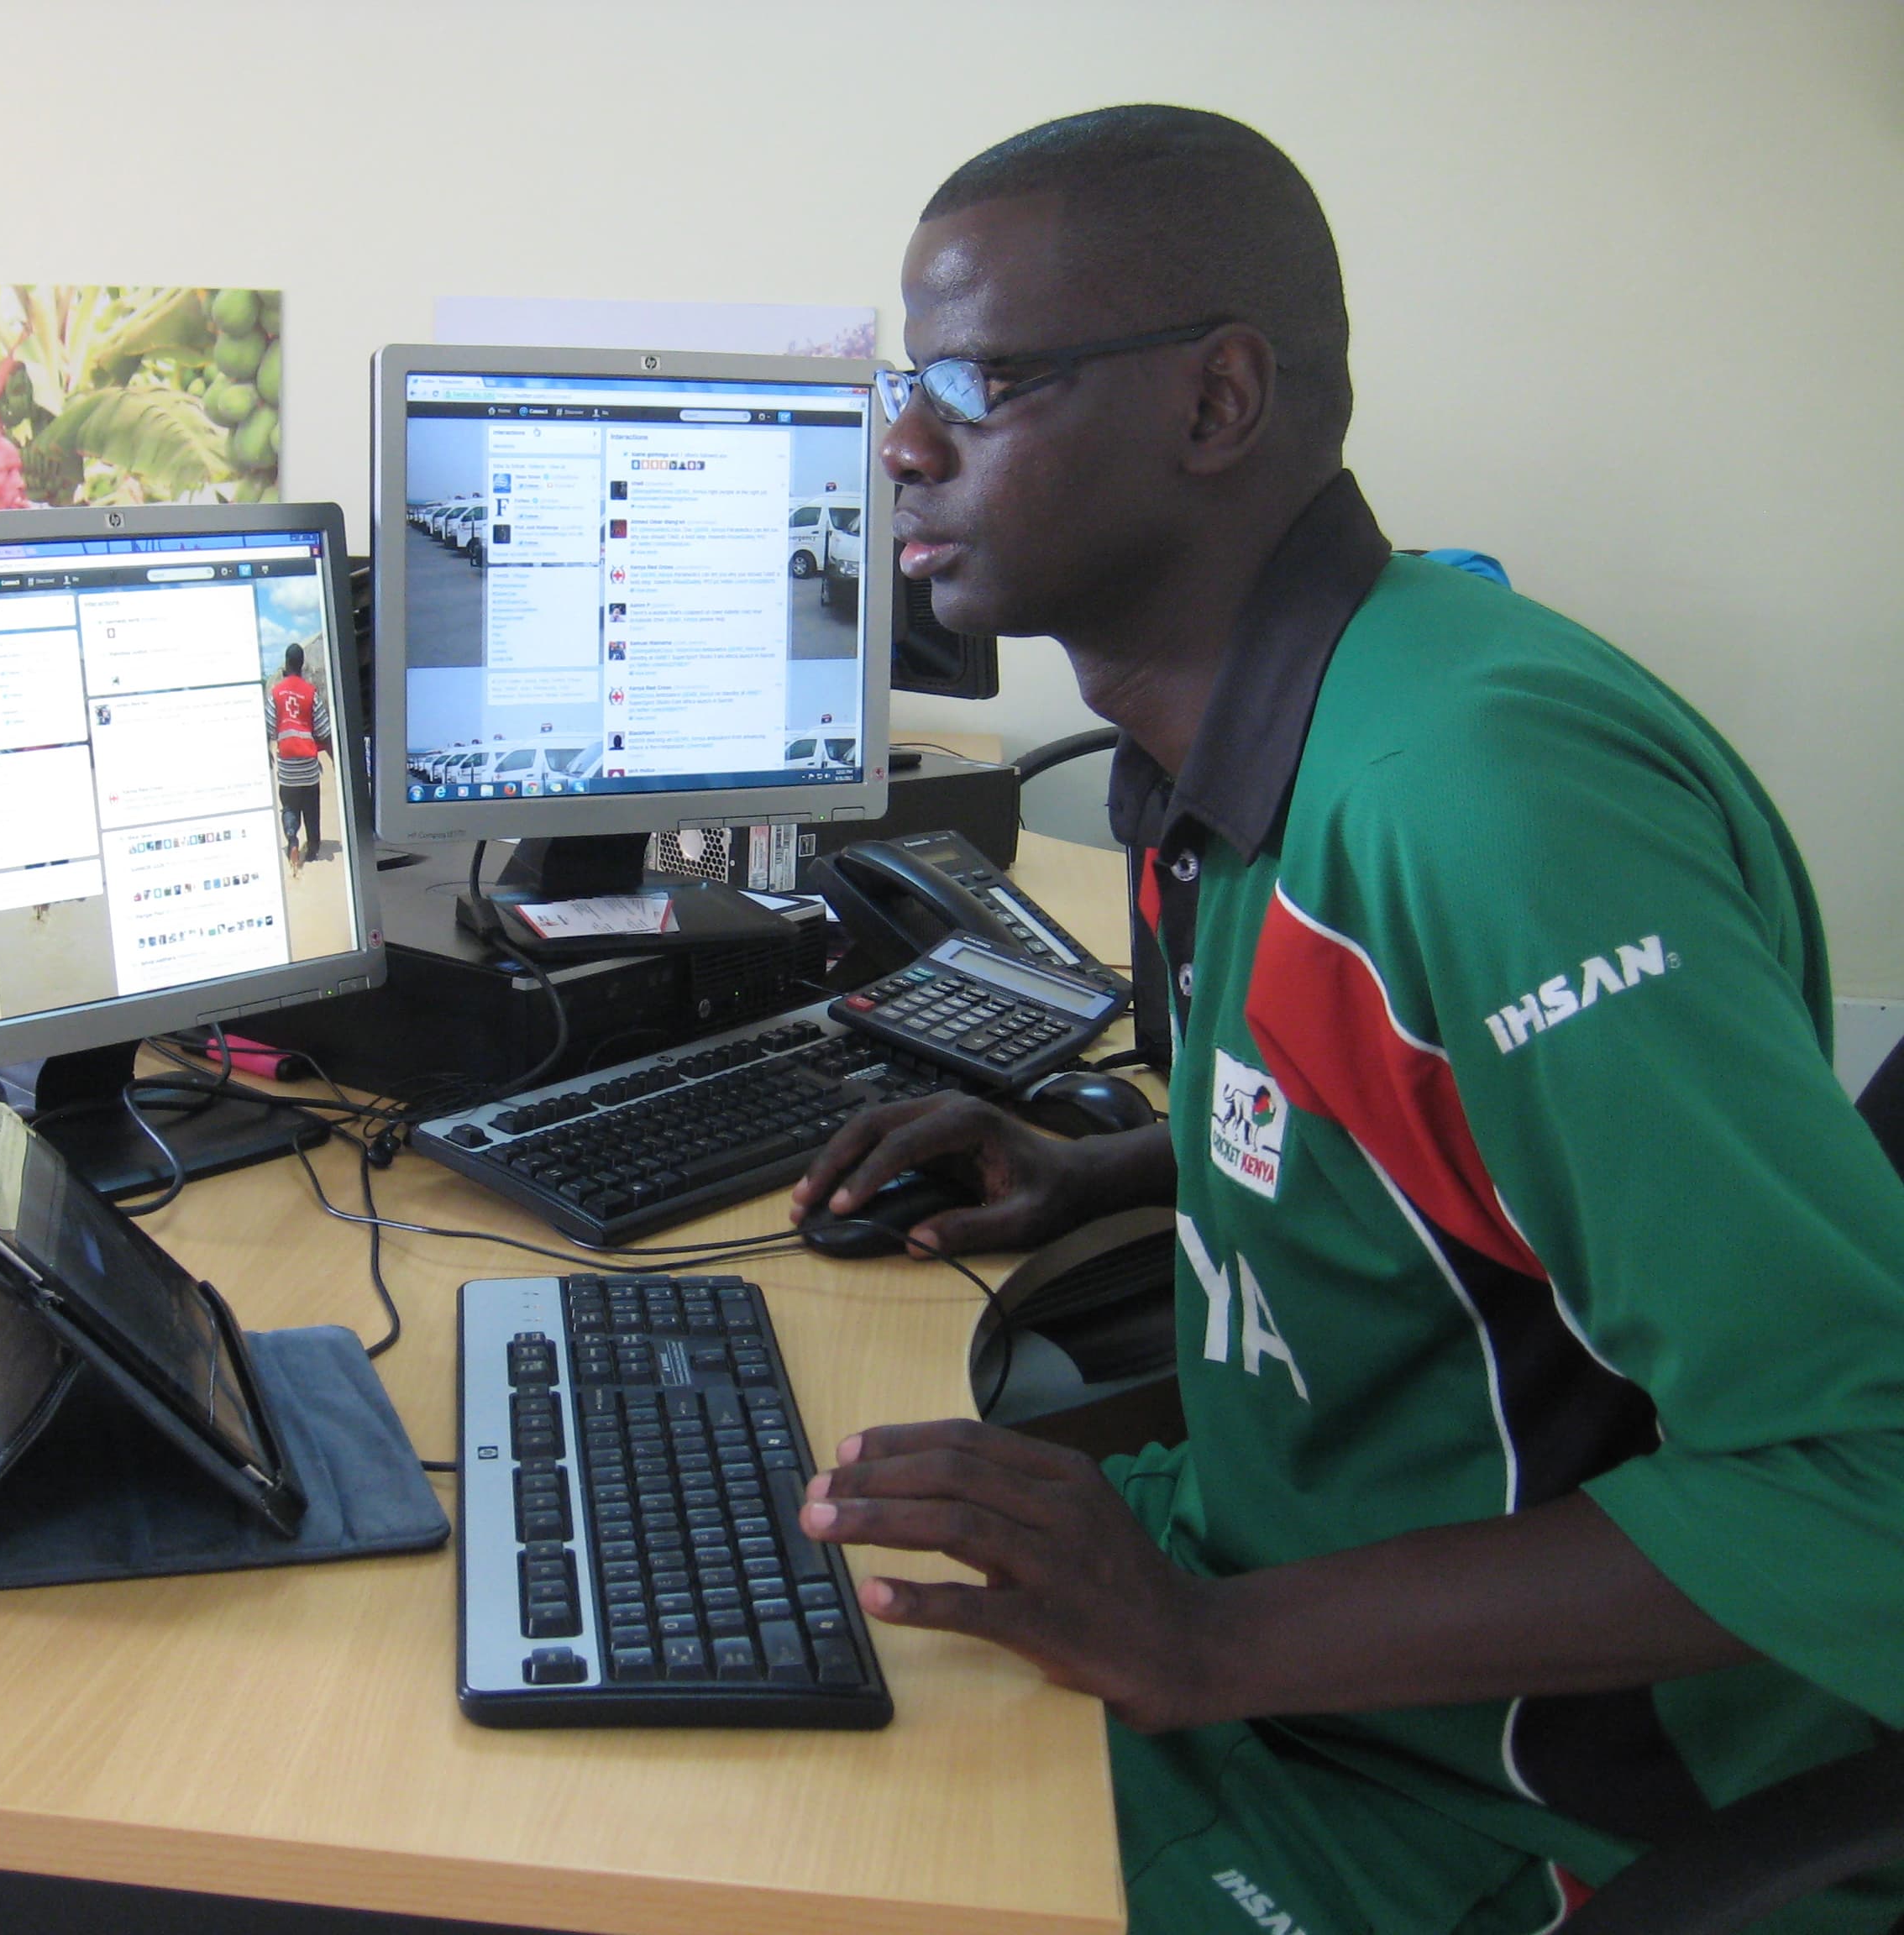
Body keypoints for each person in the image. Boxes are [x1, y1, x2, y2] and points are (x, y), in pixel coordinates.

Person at [787, 105, 1904, 1933]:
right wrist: (1105, 1168)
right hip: (1281, 1594)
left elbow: (1875, 1477)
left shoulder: (1480, 804)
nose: (902, 443)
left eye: (979, 383)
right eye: (910, 377)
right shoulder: (1239, 744)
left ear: (1218, 404)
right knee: (715, 1666)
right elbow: (1449, 1142)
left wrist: (1208, 1642)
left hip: (1513, 1785)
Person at [267, 641, 330, 870]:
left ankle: (293, 839)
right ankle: (312, 848)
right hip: (308, 766)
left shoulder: (275, 693)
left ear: (286, 664)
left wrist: (268, 752)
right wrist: (333, 759)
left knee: (290, 808)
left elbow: (268, 727)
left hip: (287, 767)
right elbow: (324, 730)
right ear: (302, 665)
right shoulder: (310, 693)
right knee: (311, 808)